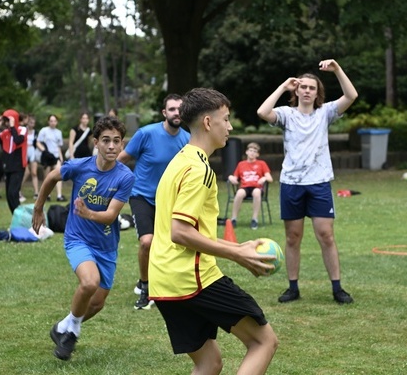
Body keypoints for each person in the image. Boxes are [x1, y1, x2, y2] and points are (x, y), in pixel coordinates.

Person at [149, 87, 278, 374]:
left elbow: (184, 230)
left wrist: (237, 249)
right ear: (208, 122)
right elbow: (180, 232)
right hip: (192, 279)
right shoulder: (199, 170)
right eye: (226, 119)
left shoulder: (180, 160)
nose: (230, 127)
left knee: (209, 363)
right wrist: (237, 253)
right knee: (264, 341)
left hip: (163, 280)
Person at [32, 115, 134, 361]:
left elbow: (110, 216)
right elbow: (51, 177)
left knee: (97, 303)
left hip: (106, 245)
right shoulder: (79, 166)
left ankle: (63, 327)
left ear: (122, 144)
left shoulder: (125, 176)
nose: (111, 146)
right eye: (106, 140)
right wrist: (38, 207)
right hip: (77, 238)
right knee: (89, 283)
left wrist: (88, 213)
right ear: (96, 143)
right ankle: (73, 333)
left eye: (116, 141)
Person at [257, 59, 358, 304]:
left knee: (326, 235)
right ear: (297, 90)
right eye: (303, 86)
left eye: (312, 88)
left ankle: (337, 288)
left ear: (317, 93)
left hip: (319, 182)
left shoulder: (325, 113)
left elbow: (351, 95)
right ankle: (293, 288)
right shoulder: (287, 114)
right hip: (291, 183)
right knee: (293, 237)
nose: (307, 91)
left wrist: (337, 70)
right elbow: (262, 112)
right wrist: (283, 87)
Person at [117, 93, 190, 310]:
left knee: (171, 244)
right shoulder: (146, 133)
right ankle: (146, 286)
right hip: (142, 195)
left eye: (180, 109)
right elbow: (122, 159)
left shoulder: (187, 139)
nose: (176, 113)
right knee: (147, 242)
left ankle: (165, 283)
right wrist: (109, 184)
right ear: (164, 113)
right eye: (172, 109)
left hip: (169, 200)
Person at [0, 109, 27, 213]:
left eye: (8, 120)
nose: (6, 123)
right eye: (5, 121)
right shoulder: (5, 133)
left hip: (18, 167)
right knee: (9, 196)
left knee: (13, 193)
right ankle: (16, 216)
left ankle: (20, 216)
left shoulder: (22, 129)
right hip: (8, 167)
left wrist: (13, 126)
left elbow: (18, 140)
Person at [228, 142, 273, 230]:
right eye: (250, 151)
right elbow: (235, 178)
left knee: (256, 192)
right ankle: (233, 219)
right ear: (247, 152)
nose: (252, 153)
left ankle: (254, 219)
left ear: (257, 154)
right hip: (245, 187)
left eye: (254, 151)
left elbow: (270, 178)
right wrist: (230, 177)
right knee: (239, 193)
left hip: (257, 187)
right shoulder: (241, 164)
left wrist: (264, 178)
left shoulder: (261, 163)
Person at [37, 114, 66, 202]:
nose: (53, 123)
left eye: (54, 121)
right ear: (48, 122)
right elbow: (38, 142)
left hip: (55, 156)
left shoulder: (58, 132)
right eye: (51, 121)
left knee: (59, 175)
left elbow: (58, 146)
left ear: (56, 122)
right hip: (47, 156)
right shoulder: (44, 130)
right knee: (47, 177)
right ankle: (47, 195)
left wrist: (61, 158)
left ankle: (59, 195)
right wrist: (44, 151)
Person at [21, 114, 40, 199]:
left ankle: (36, 192)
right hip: (24, 151)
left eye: (33, 123)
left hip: (32, 151)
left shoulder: (35, 132)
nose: (32, 124)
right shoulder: (23, 130)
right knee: (26, 172)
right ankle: (18, 189)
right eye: (30, 122)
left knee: (34, 172)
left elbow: (37, 142)